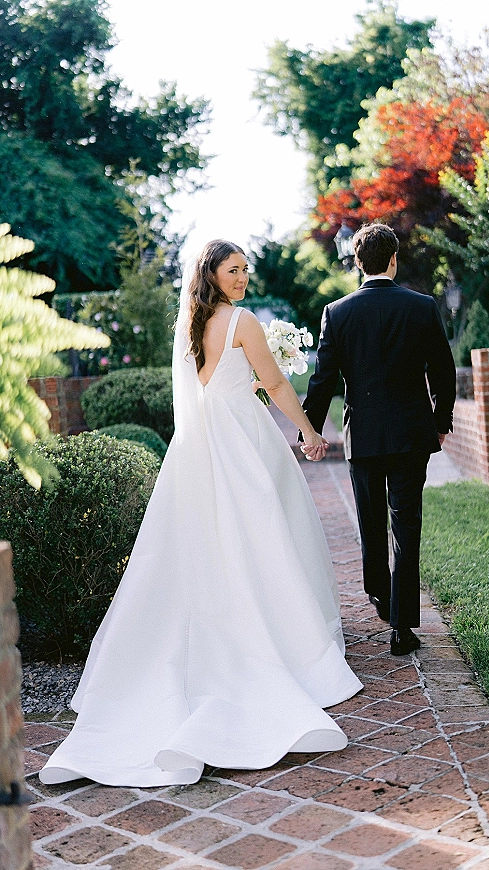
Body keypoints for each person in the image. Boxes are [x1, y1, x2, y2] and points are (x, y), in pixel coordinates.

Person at [40, 239, 362, 787]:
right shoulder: (242, 322)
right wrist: (310, 432)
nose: (243, 278)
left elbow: (201, 393)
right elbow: (278, 383)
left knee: (217, 540)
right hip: (241, 439)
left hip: (201, 444)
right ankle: (281, 639)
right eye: (233, 270)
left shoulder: (188, 324)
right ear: (211, 274)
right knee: (264, 533)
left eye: (245, 270)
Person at [302, 223, 456, 656]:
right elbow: (443, 371)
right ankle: (403, 627)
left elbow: (323, 379)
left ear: (356, 263)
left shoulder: (337, 312)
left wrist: (309, 430)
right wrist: (441, 421)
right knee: (407, 527)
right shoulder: (422, 307)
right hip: (411, 434)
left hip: (364, 437)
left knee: (370, 524)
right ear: (393, 259)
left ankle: (380, 598)